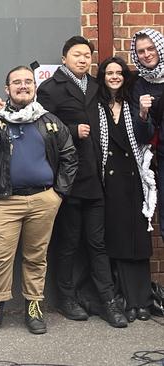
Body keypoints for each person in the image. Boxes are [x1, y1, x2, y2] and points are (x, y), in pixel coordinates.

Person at [0, 66, 78, 335]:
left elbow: (69, 156)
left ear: (35, 87)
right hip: (6, 200)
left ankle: (34, 306)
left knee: (36, 257)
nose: (23, 86)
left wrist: (58, 193)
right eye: (16, 82)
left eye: (28, 82)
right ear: (7, 88)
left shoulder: (49, 121)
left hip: (44, 200)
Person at [37, 36, 127, 328]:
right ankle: (66, 298)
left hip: (97, 178)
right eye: (77, 55)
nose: (83, 59)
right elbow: (42, 128)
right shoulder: (50, 89)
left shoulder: (97, 87)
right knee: (69, 243)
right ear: (64, 58)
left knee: (97, 243)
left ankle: (107, 301)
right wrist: (72, 130)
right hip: (68, 178)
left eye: (87, 55)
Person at [97, 56, 156, 322]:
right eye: (109, 72)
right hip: (111, 180)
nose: (114, 76)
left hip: (135, 177)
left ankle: (142, 301)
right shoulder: (98, 106)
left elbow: (145, 137)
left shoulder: (133, 102)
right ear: (103, 77)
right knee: (118, 239)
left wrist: (143, 114)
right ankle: (128, 301)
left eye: (118, 72)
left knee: (139, 239)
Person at [130, 29, 164, 238]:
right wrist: (142, 113)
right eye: (141, 51)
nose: (146, 54)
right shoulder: (138, 84)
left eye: (151, 48)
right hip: (159, 158)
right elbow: (142, 135)